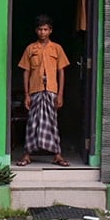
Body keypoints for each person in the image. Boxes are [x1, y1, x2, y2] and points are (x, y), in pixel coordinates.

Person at [16, 14, 71, 167]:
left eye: (45, 29)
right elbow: (26, 72)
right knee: (32, 122)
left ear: (50, 30)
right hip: (35, 90)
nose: (42, 32)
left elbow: (61, 71)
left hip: (51, 90)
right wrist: (27, 94)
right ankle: (27, 155)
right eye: (40, 29)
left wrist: (60, 94)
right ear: (36, 31)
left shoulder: (57, 48)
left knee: (52, 122)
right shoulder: (30, 49)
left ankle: (57, 155)